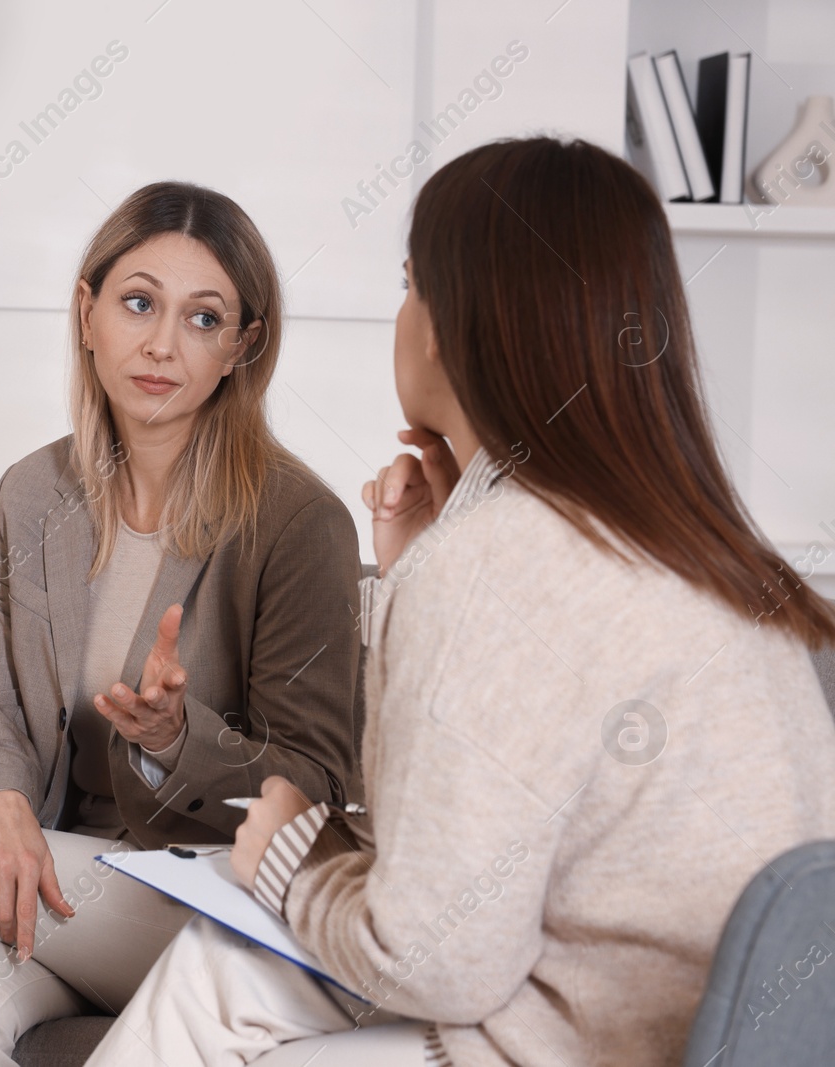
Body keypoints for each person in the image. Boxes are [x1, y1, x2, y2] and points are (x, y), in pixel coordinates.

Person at [83, 137, 835, 1067]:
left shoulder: (491, 566)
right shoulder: (708, 548)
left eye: (410, 284)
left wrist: (288, 857)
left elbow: (436, 952)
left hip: (581, 1044)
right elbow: (469, 848)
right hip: (719, 1035)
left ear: (449, 322)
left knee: (235, 988)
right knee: (217, 970)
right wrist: (421, 569)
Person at [0, 180, 365, 1066]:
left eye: (204, 319)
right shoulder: (35, 492)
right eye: (138, 303)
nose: (162, 343)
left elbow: (314, 782)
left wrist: (174, 739)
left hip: (218, 899)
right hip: (68, 881)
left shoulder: (299, 520)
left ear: (243, 345)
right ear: (88, 313)